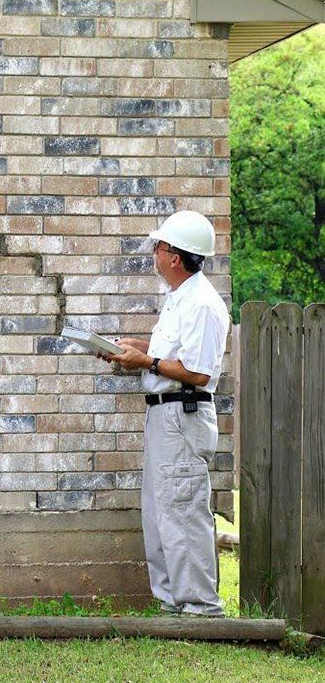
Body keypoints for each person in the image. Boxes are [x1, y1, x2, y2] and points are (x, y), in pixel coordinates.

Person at [99, 210, 230, 616]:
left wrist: (146, 362)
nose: (154, 253)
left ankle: (201, 608)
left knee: (183, 508)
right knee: (161, 510)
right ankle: (172, 605)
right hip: (165, 416)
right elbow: (174, 355)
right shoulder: (180, 299)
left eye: (159, 247)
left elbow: (198, 371)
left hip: (182, 415)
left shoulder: (203, 304)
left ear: (175, 257)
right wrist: (136, 349)